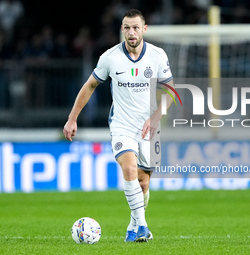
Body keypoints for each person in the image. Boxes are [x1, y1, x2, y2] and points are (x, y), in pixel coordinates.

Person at [63, 9, 174, 242]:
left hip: (149, 128)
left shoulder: (157, 55)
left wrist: (155, 118)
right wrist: (73, 118)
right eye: (127, 27)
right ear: (121, 29)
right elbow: (90, 85)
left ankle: (133, 228)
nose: (131, 32)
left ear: (144, 29)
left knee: (143, 183)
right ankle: (142, 227)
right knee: (129, 170)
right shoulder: (110, 57)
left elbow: (170, 91)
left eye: (136, 27)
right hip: (122, 125)